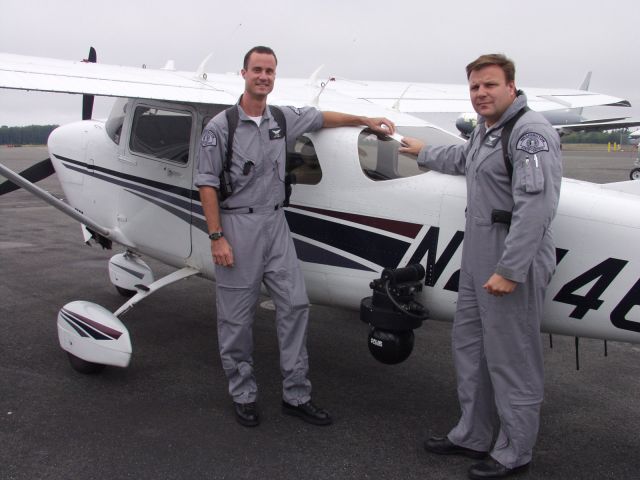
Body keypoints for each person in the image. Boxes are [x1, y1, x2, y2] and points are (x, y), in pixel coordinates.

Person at [195, 46, 395, 428]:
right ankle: (244, 393)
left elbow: (321, 117)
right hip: (237, 226)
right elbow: (206, 184)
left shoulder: (282, 119)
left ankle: (296, 394)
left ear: (274, 76)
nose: (264, 77)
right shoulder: (221, 126)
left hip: (275, 224)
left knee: (296, 305)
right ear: (243, 74)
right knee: (236, 320)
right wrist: (216, 236)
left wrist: (362, 118)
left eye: (270, 71)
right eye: (257, 70)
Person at [400, 54, 562, 479]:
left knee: (512, 358)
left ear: (511, 87)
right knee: (469, 348)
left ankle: (515, 452)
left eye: (490, 85)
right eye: (474, 87)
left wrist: (510, 270)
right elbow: (462, 159)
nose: (481, 93)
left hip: (510, 257)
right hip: (476, 255)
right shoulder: (489, 132)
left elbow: (536, 208)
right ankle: (472, 433)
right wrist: (421, 151)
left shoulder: (529, 134)